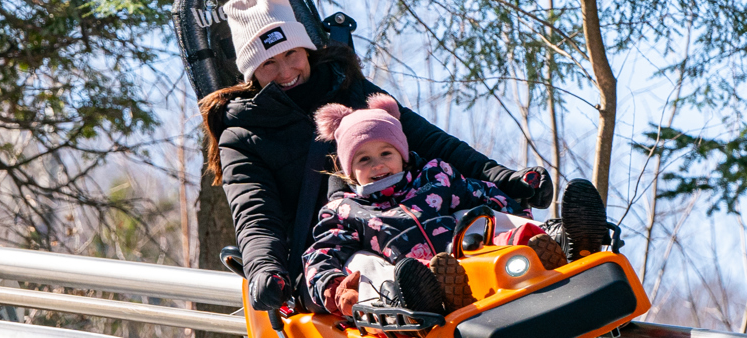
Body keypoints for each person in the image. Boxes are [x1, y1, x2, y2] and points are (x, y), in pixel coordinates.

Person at [199, 0, 555, 314]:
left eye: (291, 54)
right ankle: (411, 298)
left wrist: (505, 179)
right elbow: (256, 215)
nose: (286, 71)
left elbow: (432, 141)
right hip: (337, 242)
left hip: (415, 214)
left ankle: (553, 242)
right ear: (251, 74)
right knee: (366, 268)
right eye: (269, 64)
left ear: (306, 48)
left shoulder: (348, 87)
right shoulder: (241, 135)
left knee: (478, 217)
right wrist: (265, 268)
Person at [299, 94, 563, 316]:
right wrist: (334, 287)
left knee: (474, 214)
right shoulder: (346, 210)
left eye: (386, 153)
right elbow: (321, 252)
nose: (377, 165)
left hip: (469, 262)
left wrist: (519, 207)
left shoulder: (435, 178)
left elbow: (484, 194)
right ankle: (397, 300)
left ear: (402, 155)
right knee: (361, 261)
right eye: (364, 159)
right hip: (412, 289)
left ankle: (547, 239)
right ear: (349, 171)